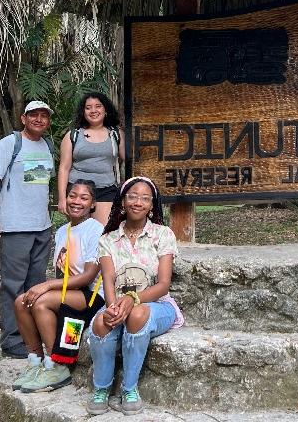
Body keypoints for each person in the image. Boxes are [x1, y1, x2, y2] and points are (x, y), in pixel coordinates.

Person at [86, 176, 184, 416]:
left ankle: (129, 389)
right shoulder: (108, 240)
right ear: (122, 201)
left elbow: (163, 284)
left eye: (144, 198)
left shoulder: (163, 235)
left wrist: (133, 299)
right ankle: (102, 388)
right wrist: (112, 308)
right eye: (132, 196)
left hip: (156, 305)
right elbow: (108, 279)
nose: (137, 202)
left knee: (137, 314)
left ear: (152, 205)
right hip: (117, 302)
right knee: (100, 322)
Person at [11, 179, 105, 392]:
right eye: (72, 195)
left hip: (91, 295)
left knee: (40, 302)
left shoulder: (96, 230)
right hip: (69, 290)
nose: (76, 201)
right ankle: (36, 362)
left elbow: (88, 275)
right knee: (21, 301)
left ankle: (58, 365)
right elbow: (62, 271)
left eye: (84, 197)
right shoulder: (63, 231)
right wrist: (50, 287)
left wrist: (46, 286)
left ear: (92, 204)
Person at [0, 100, 56, 358]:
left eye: (44, 116)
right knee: (13, 286)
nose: (39, 120)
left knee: (36, 285)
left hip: (42, 226)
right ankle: (12, 340)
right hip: (15, 227)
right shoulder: (9, 144)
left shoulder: (48, 146)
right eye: (33, 115)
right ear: (23, 118)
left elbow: (39, 184)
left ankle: (32, 338)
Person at [57, 92, 124, 228]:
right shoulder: (73, 135)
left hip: (106, 189)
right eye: (88, 107)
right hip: (78, 191)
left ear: (105, 110)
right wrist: (62, 199)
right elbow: (64, 168)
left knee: (103, 234)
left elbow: (129, 160)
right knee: (79, 234)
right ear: (83, 112)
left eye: (98, 106)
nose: (93, 110)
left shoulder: (116, 134)